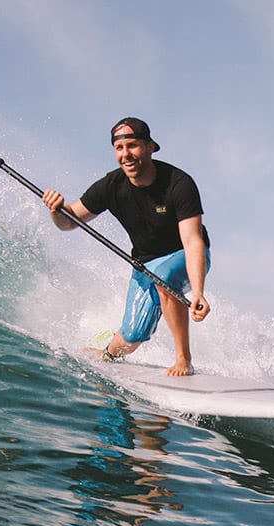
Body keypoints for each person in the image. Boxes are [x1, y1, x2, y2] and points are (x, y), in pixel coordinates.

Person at [41, 117, 211, 376]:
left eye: (132, 145)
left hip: (185, 256)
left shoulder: (178, 183)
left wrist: (197, 291)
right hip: (144, 264)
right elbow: (68, 222)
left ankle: (183, 359)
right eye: (119, 148)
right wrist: (57, 210)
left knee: (165, 279)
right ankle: (108, 354)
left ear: (150, 147)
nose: (125, 154)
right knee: (132, 336)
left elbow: (192, 241)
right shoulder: (111, 186)